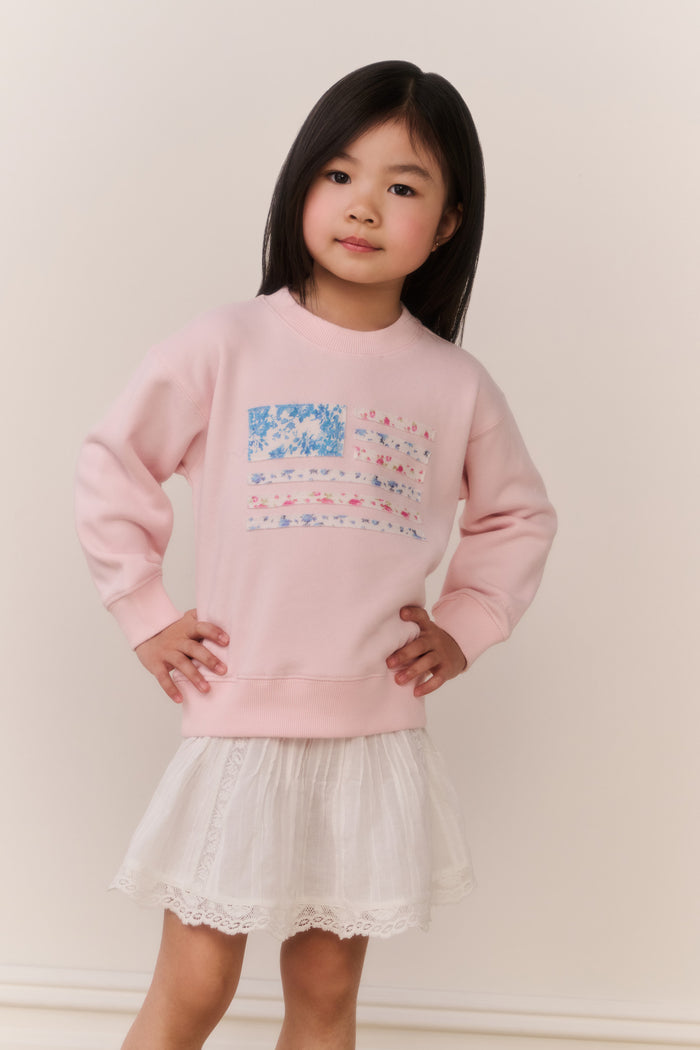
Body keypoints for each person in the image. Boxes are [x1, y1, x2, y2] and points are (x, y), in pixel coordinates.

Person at [74, 59, 557, 1050]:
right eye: (339, 174)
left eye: (403, 186)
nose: (364, 206)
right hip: (240, 720)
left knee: (327, 994)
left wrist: (464, 627)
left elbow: (518, 517)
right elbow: (115, 460)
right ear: (300, 185)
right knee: (196, 986)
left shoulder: (451, 382)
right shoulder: (228, 346)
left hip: (371, 735)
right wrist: (143, 611)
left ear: (449, 223)